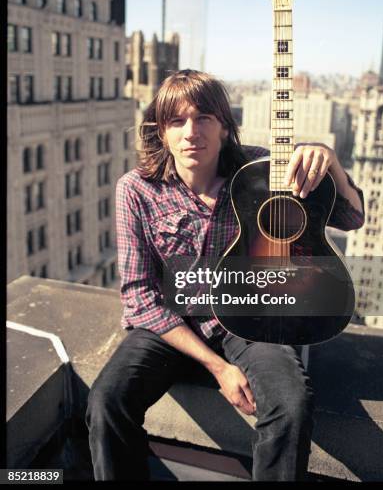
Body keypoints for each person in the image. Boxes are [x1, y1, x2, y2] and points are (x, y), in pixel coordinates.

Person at [85, 70, 365, 481]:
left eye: (203, 118)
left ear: (224, 125)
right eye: (176, 121)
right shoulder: (136, 189)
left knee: (292, 406)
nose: (190, 132)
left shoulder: (257, 169)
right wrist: (219, 368)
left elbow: (350, 217)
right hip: (172, 321)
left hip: (246, 318)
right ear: (161, 131)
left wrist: (330, 162)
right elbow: (139, 295)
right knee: (106, 402)